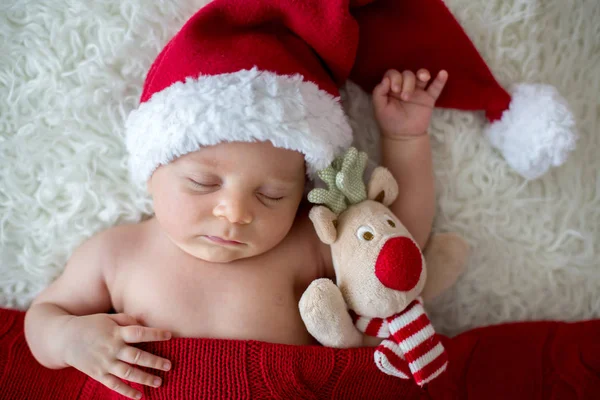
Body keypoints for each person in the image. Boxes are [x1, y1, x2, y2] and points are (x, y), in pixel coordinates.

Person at [24, 59, 447, 400]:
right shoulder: (118, 253)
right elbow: (42, 317)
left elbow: (396, 249)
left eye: (272, 195)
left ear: (302, 195)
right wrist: (69, 339)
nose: (234, 212)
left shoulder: (305, 241)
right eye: (203, 183)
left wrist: (405, 138)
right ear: (153, 169)